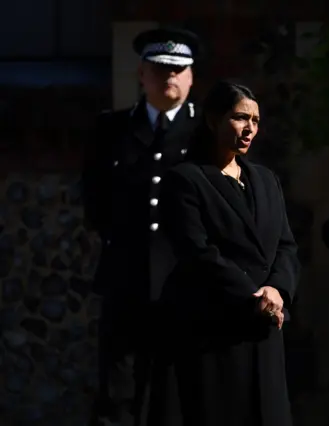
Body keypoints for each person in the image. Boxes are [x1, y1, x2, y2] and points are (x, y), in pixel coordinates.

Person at [143, 81, 300, 426]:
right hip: (211, 331)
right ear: (213, 121)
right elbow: (196, 251)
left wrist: (277, 290)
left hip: (263, 327)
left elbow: (285, 245)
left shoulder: (266, 180)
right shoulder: (185, 180)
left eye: (256, 121)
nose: (249, 129)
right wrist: (253, 295)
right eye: (240, 118)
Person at [82, 27, 201, 424]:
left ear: (191, 76)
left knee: (178, 393)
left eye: (178, 69)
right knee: (117, 392)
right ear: (141, 74)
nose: (169, 76)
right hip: (126, 277)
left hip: (185, 282)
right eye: (159, 67)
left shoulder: (206, 136)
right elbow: (95, 199)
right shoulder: (111, 129)